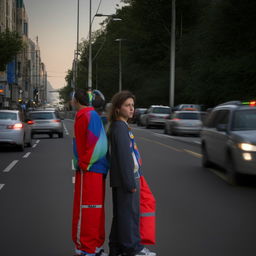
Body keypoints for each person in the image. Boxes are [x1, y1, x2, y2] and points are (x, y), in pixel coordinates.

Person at [108, 91, 156, 256]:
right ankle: (133, 249)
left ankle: (116, 248)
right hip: (126, 180)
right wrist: (130, 182)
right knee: (130, 215)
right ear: (117, 108)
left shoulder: (119, 126)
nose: (131, 109)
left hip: (123, 179)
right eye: (127, 105)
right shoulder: (120, 128)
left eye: (132, 105)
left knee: (121, 216)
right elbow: (124, 157)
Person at [71, 88, 109, 256]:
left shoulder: (85, 115)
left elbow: (97, 145)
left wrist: (84, 164)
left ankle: (85, 249)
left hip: (89, 170)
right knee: (95, 210)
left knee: (85, 210)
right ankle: (94, 247)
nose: (70, 102)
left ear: (77, 101)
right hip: (96, 169)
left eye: (72, 99)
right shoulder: (91, 115)